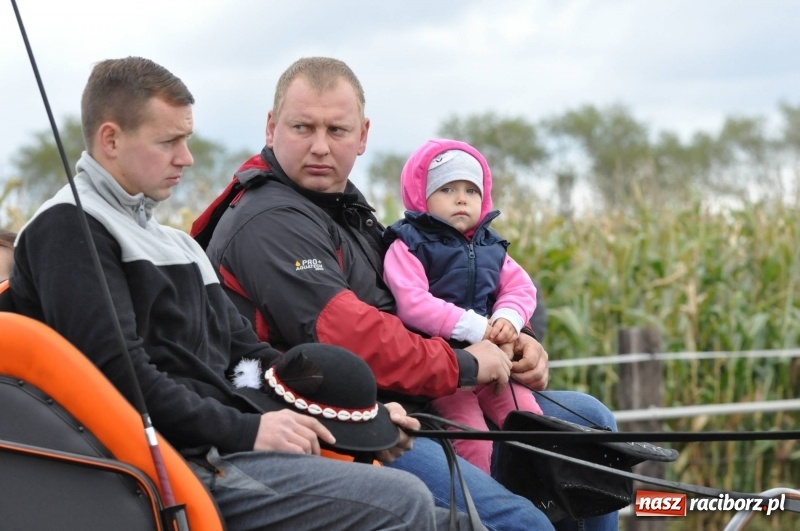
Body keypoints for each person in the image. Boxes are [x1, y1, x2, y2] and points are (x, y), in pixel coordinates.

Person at [8, 56, 478, 531]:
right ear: (111, 139)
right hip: (168, 469)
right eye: (169, 142)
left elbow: (249, 356)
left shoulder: (178, 245)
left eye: (186, 140)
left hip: (222, 447)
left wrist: (362, 418)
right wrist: (249, 430)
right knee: (402, 501)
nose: (186, 158)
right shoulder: (70, 228)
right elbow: (121, 378)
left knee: (458, 524)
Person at [197, 56, 619, 531]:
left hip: (420, 396)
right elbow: (348, 335)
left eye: (337, 130)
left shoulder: (346, 211)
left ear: (363, 136)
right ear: (271, 127)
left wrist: (514, 341)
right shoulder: (271, 221)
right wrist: (465, 364)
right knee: (522, 523)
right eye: (302, 127)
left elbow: (436, 293)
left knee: (594, 432)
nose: (319, 147)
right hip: (345, 419)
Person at [382, 138, 543, 475]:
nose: (461, 199)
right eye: (447, 189)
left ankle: (534, 490)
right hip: (444, 367)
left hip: (495, 360)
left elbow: (520, 288)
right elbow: (412, 303)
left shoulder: (491, 246)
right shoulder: (408, 244)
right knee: (472, 438)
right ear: (421, 195)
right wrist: (476, 327)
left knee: (529, 421)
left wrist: (508, 319)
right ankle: (483, 498)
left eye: (471, 190)